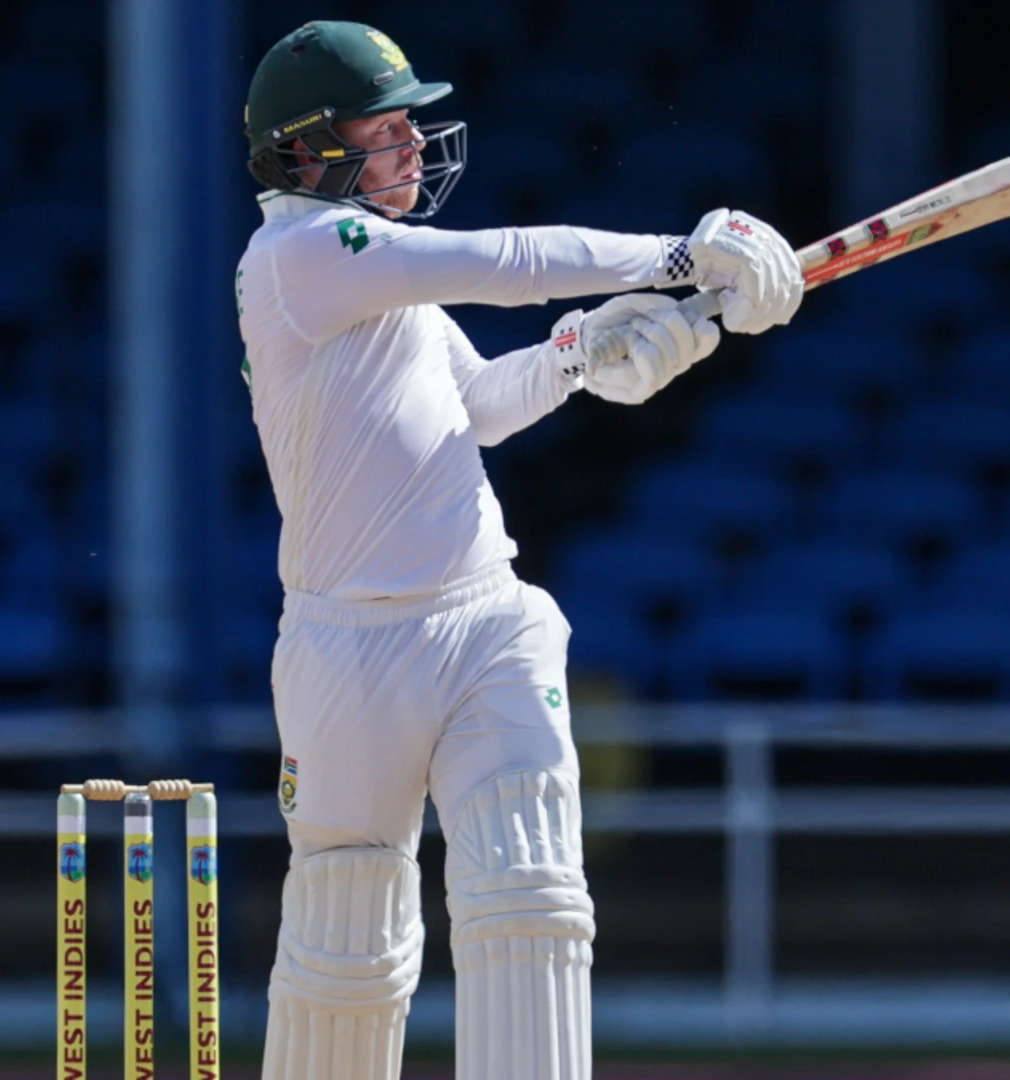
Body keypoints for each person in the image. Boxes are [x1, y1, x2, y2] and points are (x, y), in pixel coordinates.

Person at [236, 20, 803, 1080]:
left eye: (414, 121)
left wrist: (587, 350)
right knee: (348, 954)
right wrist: (681, 255)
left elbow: (477, 408)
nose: (412, 143)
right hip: (343, 649)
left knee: (529, 901)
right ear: (308, 148)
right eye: (387, 124)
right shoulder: (302, 256)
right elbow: (504, 262)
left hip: (483, 619)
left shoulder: (377, 275)